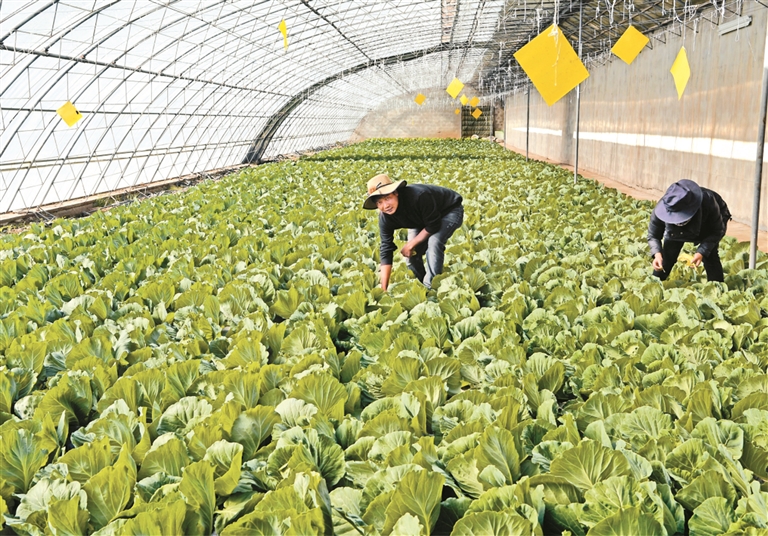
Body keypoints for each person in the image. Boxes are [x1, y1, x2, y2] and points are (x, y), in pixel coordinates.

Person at [363, 174, 463, 291]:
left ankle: (431, 287)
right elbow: (386, 248)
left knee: (434, 242)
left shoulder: (419, 196)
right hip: (421, 220)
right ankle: (424, 286)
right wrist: (383, 289)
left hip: (449, 210)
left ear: (396, 193)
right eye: (379, 202)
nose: (386, 206)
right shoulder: (385, 218)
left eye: (387, 198)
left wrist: (411, 244)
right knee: (411, 257)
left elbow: (433, 225)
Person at [648, 179, 731, 282]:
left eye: (681, 218)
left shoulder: (708, 202)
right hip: (677, 227)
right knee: (668, 254)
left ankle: (716, 285)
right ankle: (656, 282)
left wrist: (701, 252)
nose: (679, 222)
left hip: (708, 221)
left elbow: (717, 231)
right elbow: (653, 235)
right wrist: (657, 254)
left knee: (710, 254)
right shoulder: (664, 208)